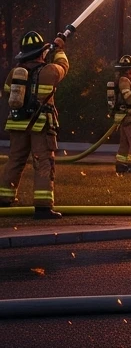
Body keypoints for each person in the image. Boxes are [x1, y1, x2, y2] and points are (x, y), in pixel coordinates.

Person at [0, 30, 70, 219]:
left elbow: (7, 93)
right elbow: (64, 66)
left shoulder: (15, 72)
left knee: (15, 160)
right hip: (40, 126)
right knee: (43, 163)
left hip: (17, 124)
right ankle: (43, 207)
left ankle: (4, 199)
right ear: (41, 52)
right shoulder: (49, 71)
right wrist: (59, 49)